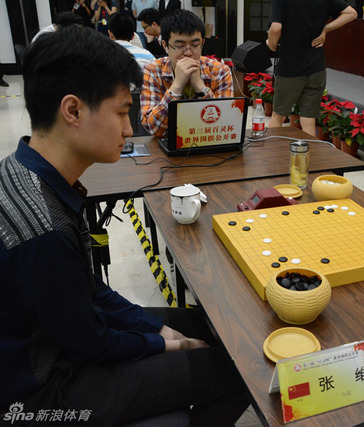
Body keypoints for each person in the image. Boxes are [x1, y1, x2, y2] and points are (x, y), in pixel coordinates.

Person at [0, 25, 250, 425]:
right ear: (73, 111)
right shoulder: (44, 232)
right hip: (44, 388)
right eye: (121, 113)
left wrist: (157, 329)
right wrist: (164, 344)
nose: (129, 130)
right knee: (240, 370)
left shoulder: (24, 167)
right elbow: (89, 344)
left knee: (208, 324)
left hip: (64, 337)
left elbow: (86, 290)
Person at [266, 0, 356, 137]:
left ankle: (271, 151)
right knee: (308, 119)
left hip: (290, 67)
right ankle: (309, 151)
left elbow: (275, 28)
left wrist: (271, 46)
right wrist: (325, 30)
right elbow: (351, 13)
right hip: (316, 67)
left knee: (278, 116)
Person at [140, 9, 233, 137]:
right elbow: (153, 129)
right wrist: (177, 86)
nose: (188, 53)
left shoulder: (220, 71)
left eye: (195, 45)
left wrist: (200, 87)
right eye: (179, 46)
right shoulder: (152, 71)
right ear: (165, 46)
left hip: (208, 143)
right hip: (168, 145)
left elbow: (226, 126)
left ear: (202, 43)